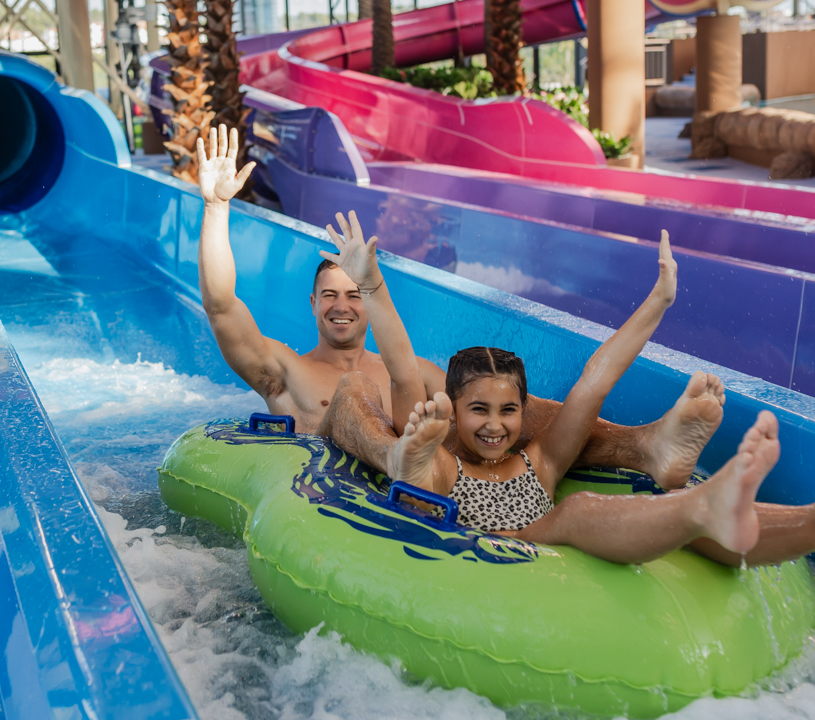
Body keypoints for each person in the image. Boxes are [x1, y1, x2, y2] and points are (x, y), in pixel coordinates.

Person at [196, 124, 722, 490]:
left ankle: (647, 446)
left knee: (496, 396)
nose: (342, 306)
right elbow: (221, 307)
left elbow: (475, 407)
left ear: (367, 302)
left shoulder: (409, 370)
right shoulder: (285, 371)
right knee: (353, 392)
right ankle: (395, 456)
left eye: (354, 294)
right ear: (312, 304)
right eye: (329, 295)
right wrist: (217, 208)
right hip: (347, 488)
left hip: (431, 480)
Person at [321, 209, 813, 567]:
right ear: (454, 411)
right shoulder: (448, 465)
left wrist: (659, 301)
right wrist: (371, 285)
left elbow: (594, 383)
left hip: (545, 553)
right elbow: (403, 373)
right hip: (488, 555)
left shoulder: (542, 460)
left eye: (508, 410)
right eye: (478, 409)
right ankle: (409, 470)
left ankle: (793, 519)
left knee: (598, 509)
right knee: (572, 511)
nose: (495, 425)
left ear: (523, 411)